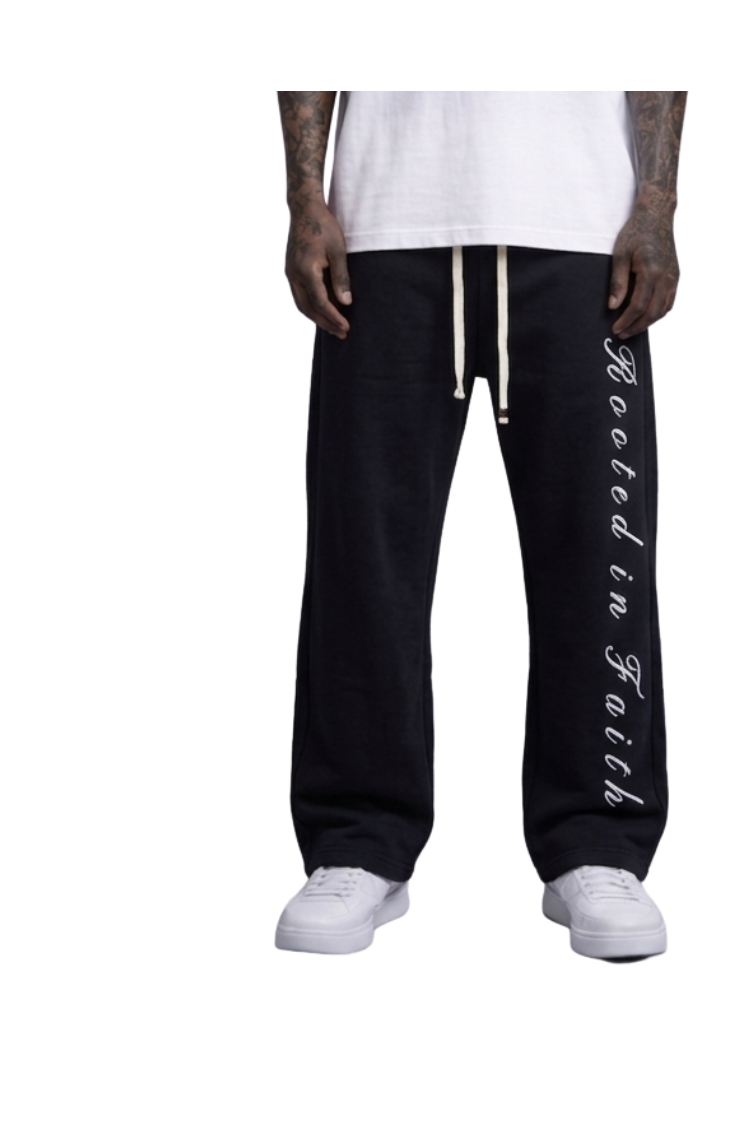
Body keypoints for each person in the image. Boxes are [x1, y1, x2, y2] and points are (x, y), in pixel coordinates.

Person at [273, 91, 687, 961]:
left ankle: (599, 843)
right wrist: (304, 198)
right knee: (363, 552)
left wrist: (657, 203)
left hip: (579, 218)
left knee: (598, 551)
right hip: (385, 214)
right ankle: (357, 840)